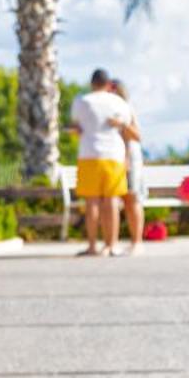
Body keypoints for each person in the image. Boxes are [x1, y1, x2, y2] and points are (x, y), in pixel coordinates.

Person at [68, 68, 132, 257]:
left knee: (92, 202)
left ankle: (92, 246)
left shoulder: (82, 101)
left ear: (92, 83)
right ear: (108, 84)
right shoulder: (118, 102)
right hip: (113, 155)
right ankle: (111, 245)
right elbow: (126, 125)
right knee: (111, 201)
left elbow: (76, 126)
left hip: (89, 154)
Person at [110, 78, 146, 255]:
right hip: (114, 160)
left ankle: (137, 242)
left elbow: (137, 136)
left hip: (130, 159)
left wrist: (122, 124)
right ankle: (113, 243)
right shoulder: (109, 110)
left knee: (132, 199)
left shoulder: (127, 109)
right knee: (116, 201)